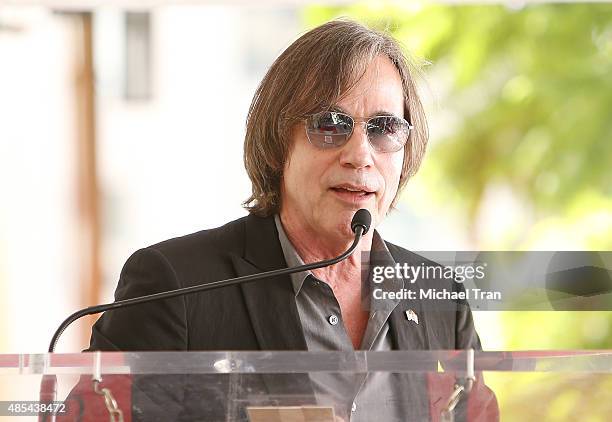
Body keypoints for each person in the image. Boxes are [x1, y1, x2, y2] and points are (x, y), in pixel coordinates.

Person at [82, 19, 496, 421]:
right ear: (279, 143)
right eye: (330, 125)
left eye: (384, 128)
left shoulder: (442, 297)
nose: (359, 155)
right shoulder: (176, 285)